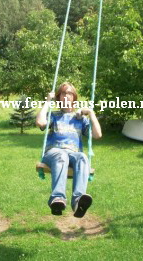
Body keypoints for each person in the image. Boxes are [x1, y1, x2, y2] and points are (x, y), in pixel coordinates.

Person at [36, 82, 102, 218]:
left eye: (70, 93)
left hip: (73, 154)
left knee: (82, 157)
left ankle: (78, 202)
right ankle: (57, 199)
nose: (67, 96)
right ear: (59, 97)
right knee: (61, 155)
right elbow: (40, 122)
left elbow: (97, 135)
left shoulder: (80, 119)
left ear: (74, 97)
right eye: (63, 93)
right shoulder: (54, 115)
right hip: (53, 153)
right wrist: (48, 101)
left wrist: (91, 113)